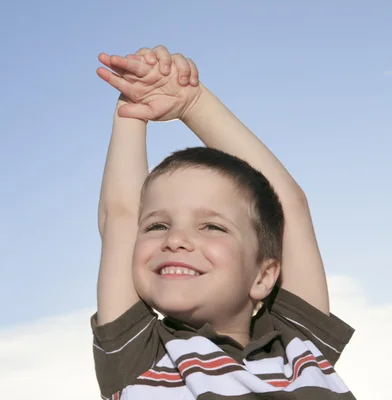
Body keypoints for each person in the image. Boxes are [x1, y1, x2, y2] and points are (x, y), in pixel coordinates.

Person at [91, 45, 355, 399]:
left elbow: (288, 207)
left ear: (263, 276)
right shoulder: (139, 357)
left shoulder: (300, 347)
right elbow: (121, 214)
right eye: (157, 225)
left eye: (211, 226)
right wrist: (133, 107)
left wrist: (193, 103)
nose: (175, 239)